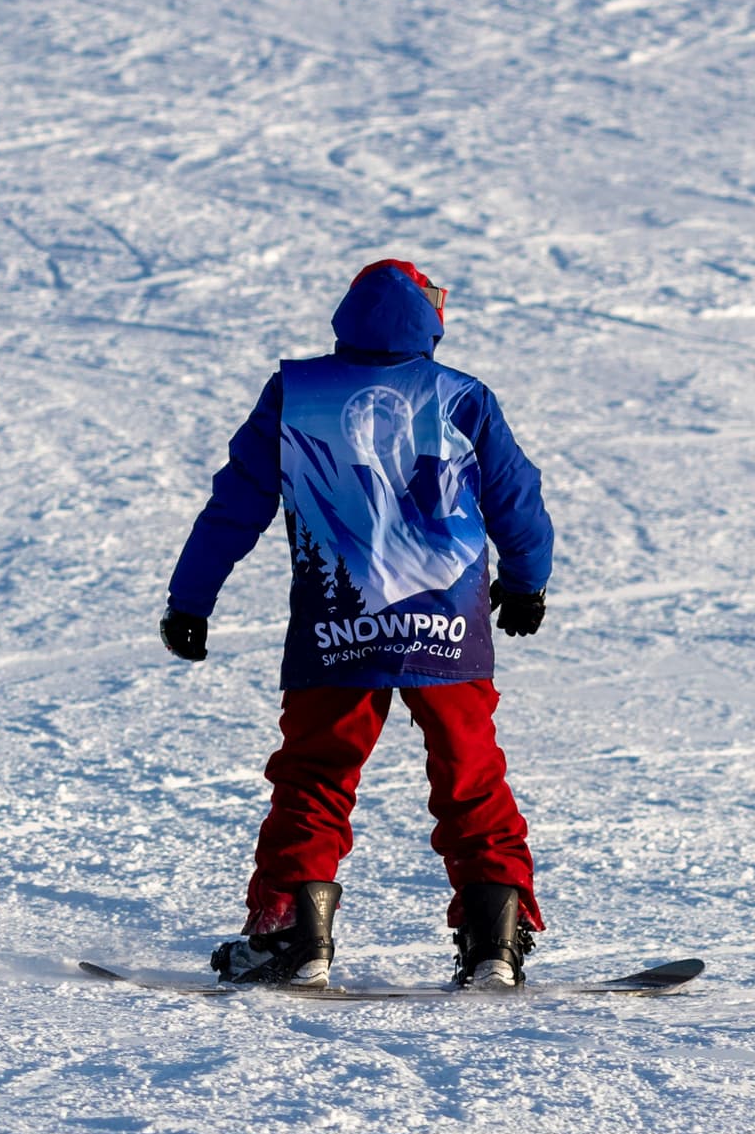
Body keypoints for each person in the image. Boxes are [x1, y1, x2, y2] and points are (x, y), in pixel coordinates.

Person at [163, 260, 556, 989]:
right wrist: (527, 581)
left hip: (337, 620)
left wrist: (191, 599)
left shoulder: (297, 393)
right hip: (448, 626)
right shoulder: (462, 395)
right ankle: (495, 941)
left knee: (315, 775)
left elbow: (235, 504)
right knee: (470, 774)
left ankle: (293, 935)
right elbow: (515, 494)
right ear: (431, 317)